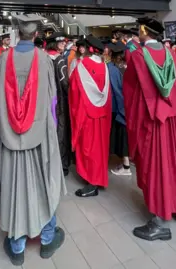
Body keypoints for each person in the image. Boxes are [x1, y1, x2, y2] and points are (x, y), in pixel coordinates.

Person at [0, 22, 66, 266]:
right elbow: (52, 98)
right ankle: (46, 239)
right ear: (36, 35)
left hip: (10, 134)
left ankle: (17, 245)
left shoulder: (3, 59)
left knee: (13, 182)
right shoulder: (44, 60)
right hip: (38, 134)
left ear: (17, 33)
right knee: (42, 180)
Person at [123, 18, 176, 241]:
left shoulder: (139, 56)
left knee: (157, 166)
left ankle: (161, 220)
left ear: (143, 31)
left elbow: (132, 92)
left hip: (152, 120)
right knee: (175, 160)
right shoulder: (169, 54)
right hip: (171, 118)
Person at [69, 36, 112, 198]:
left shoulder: (82, 65)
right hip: (102, 116)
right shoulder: (104, 66)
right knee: (100, 148)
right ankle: (99, 178)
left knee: (88, 148)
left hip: (87, 115)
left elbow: (73, 90)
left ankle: (92, 182)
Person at [46, 32, 72, 176]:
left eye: (64, 41)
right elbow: (64, 83)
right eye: (61, 42)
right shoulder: (60, 60)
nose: (64, 44)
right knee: (60, 131)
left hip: (44, 100)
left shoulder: (42, 57)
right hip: (59, 102)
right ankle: (61, 164)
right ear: (54, 43)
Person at [107, 41, 131, 176]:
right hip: (128, 105)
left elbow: (117, 90)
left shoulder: (113, 69)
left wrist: (121, 110)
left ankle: (126, 166)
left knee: (122, 138)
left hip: (120, 107)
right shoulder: (126, 67)